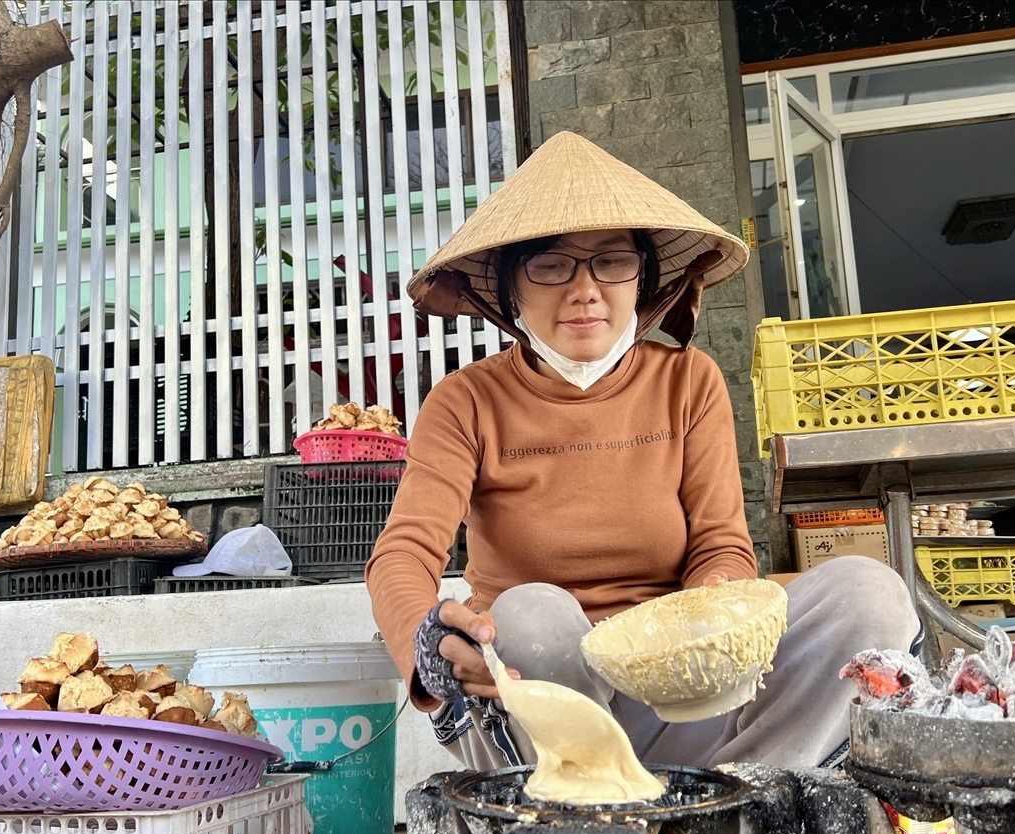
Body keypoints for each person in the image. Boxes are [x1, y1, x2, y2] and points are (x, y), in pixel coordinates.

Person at [366, 132, 917, 773]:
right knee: (530, 614)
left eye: (612, 262)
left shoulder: (689, 382)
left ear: (642, 282)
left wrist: (719, 606)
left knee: (870, 594)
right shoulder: (466, 401)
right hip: (533, 705)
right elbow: (402, 555)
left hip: (684, 694)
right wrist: (429, 647)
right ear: (511, 289)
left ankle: (735, 802)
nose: (585, 290)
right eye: (549, 264)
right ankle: (590, 812)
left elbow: (722, 546)